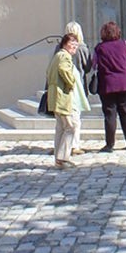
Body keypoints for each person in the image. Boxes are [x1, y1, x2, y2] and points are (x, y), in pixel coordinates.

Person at [94, 22, 126, 152]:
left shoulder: (99, 48)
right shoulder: (124, 44)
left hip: (107, 85)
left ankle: (110, 145)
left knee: (110, 115)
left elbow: (93, 64)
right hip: (125, 84)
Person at [47, 33, 85, 169]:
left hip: (55, 96)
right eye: (72, 44)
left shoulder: (57, 56)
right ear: (65, 44)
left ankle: (58, 158)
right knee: (70, 127)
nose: (74, 47)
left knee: (61, 128)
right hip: (62, 96)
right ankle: (62, 159)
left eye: (76, 44)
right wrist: (71, 82)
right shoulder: (64, 56)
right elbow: (64, 71)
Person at [64, 21, 92, 155]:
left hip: (62, 86)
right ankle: (74, 145)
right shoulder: (82, 48)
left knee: (63, 119)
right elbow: (88, 67)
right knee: (75, 117)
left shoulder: (59, 48)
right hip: (77, 85)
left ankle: (63, 145)